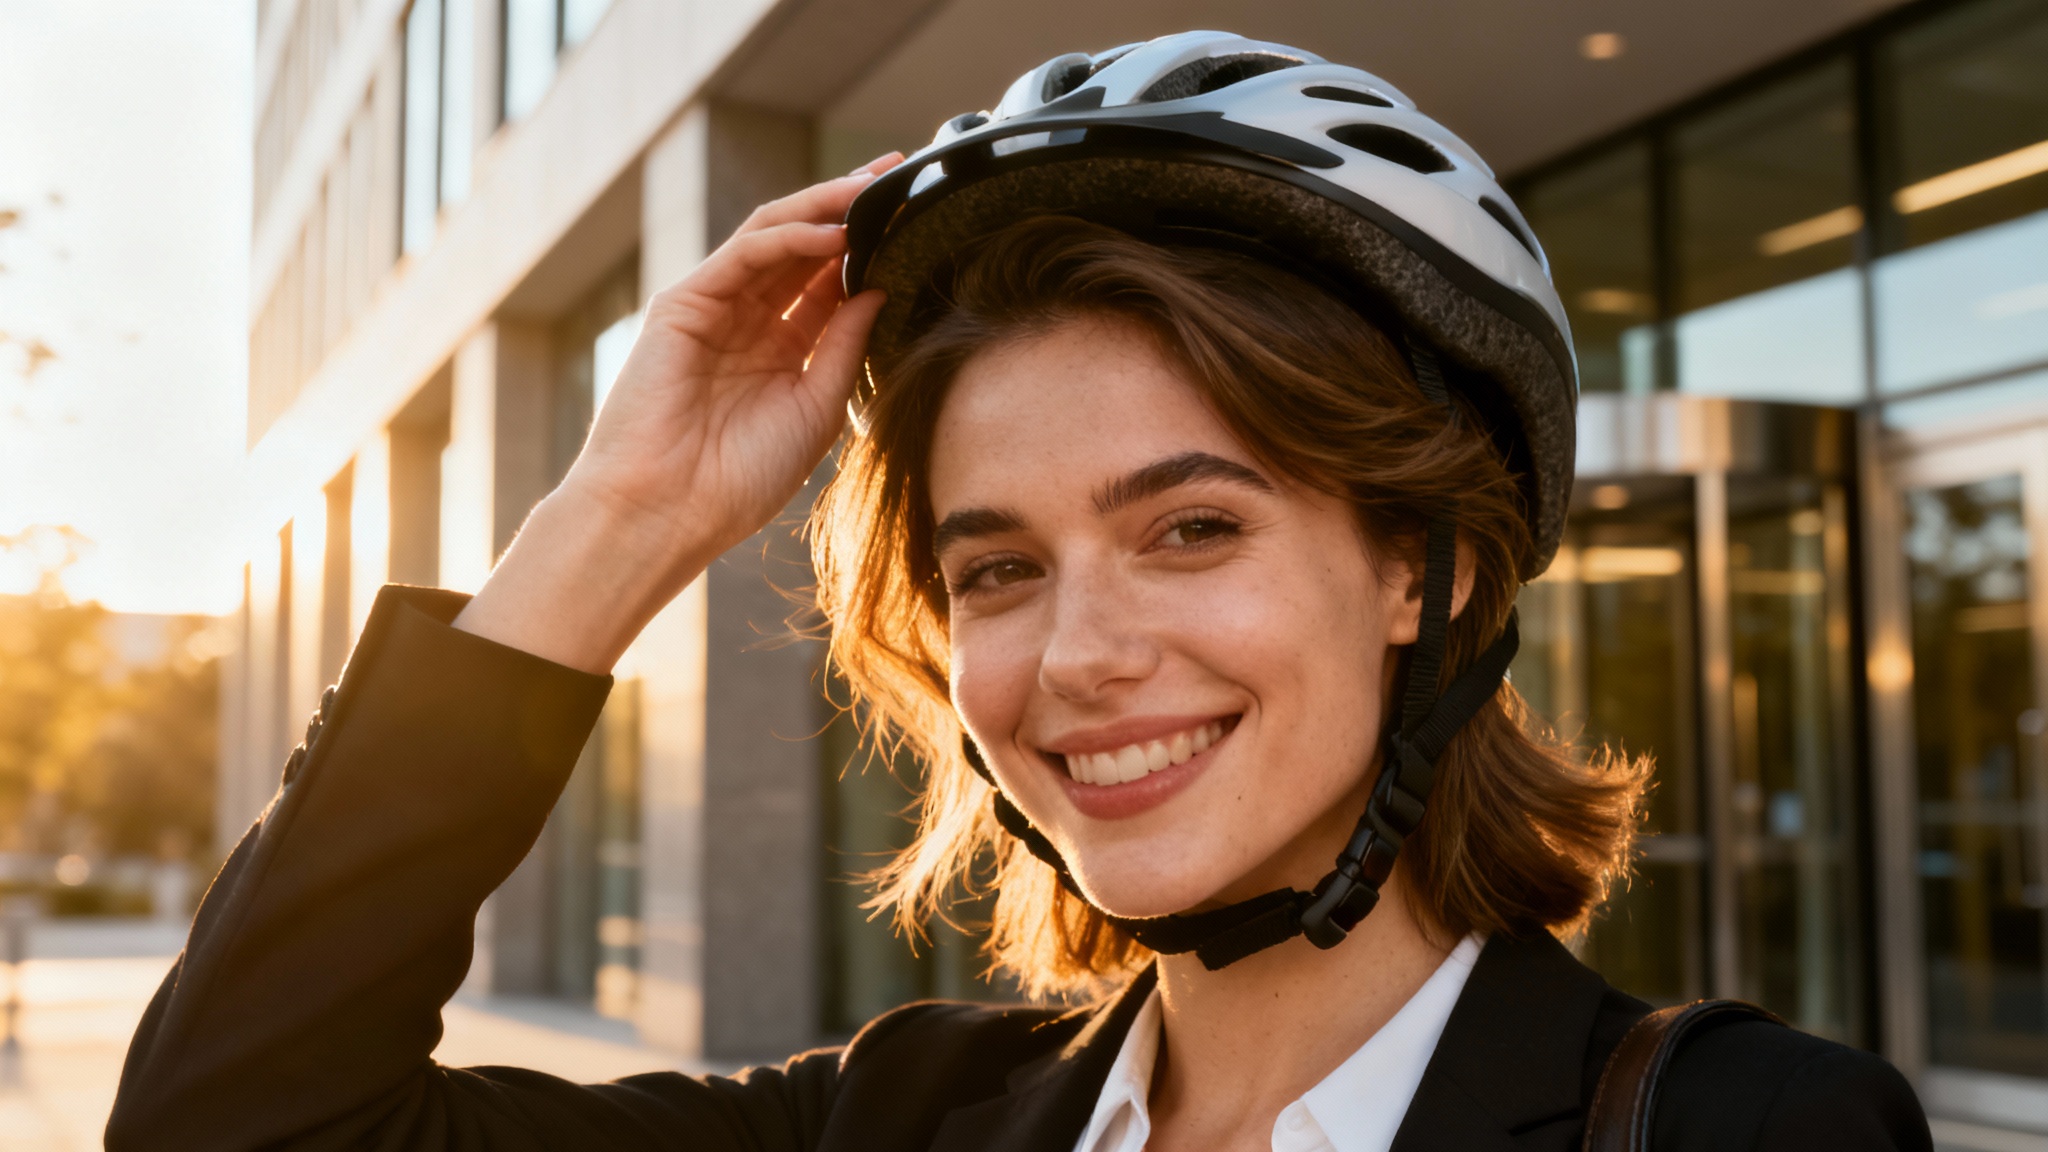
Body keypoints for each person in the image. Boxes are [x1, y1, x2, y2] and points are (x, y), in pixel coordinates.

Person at [108, 31, 1930, 1152]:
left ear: (1423, 571)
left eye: (1192, 527)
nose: (1078, 656)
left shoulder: (1748, 1132)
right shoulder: (900, 1119)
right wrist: (621, 517)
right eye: (998, 567)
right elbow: (238, 1126)